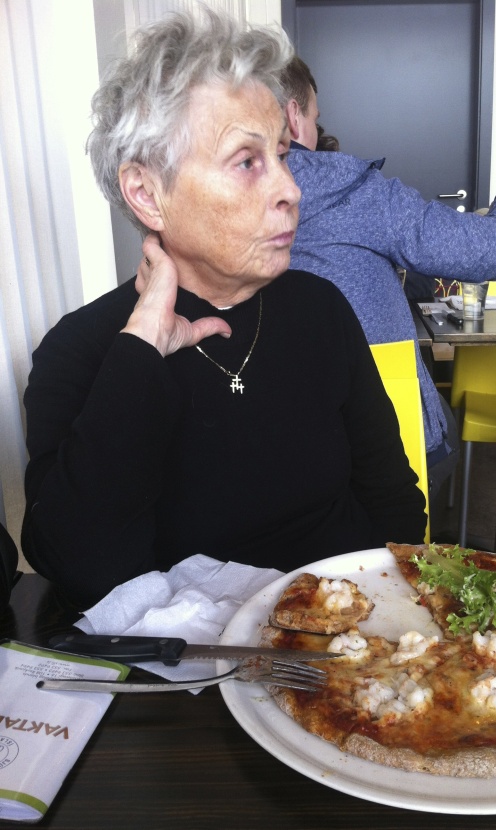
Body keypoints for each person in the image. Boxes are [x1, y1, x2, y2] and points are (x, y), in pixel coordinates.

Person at [20, 10, 426, 610]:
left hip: (346, 634)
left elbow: (394, 503)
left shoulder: (320, 308)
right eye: (247, 161)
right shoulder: (79, 351)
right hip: (190, 659)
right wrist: (142, 351)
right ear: (147, 194)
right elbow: (84, 568)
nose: (291, 190)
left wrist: (378, 621)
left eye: (283, 155)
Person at [278, 56, 496, 500]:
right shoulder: (354, 191)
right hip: (376, 445)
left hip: (270, 444)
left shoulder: (211, 198)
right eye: (314, 116)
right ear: (293, 115)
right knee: (437, 432)